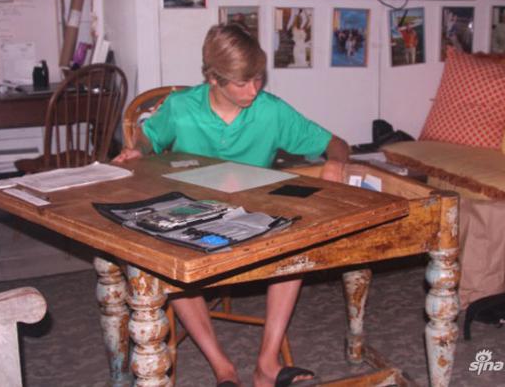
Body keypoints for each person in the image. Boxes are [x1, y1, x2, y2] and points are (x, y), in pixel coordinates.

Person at [113, 23, 349, 387]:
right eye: (242, 83)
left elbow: (337, 143)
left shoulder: (271, 111)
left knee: (297, 246)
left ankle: (267, 363)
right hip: (189, 216)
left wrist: (335, 162)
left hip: (253, 216)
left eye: (258, 78)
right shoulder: (181, 107)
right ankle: (223, 368)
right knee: (165, 260)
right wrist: (137, 150)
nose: (253, 90)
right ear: (213, 78)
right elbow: (148, 138)